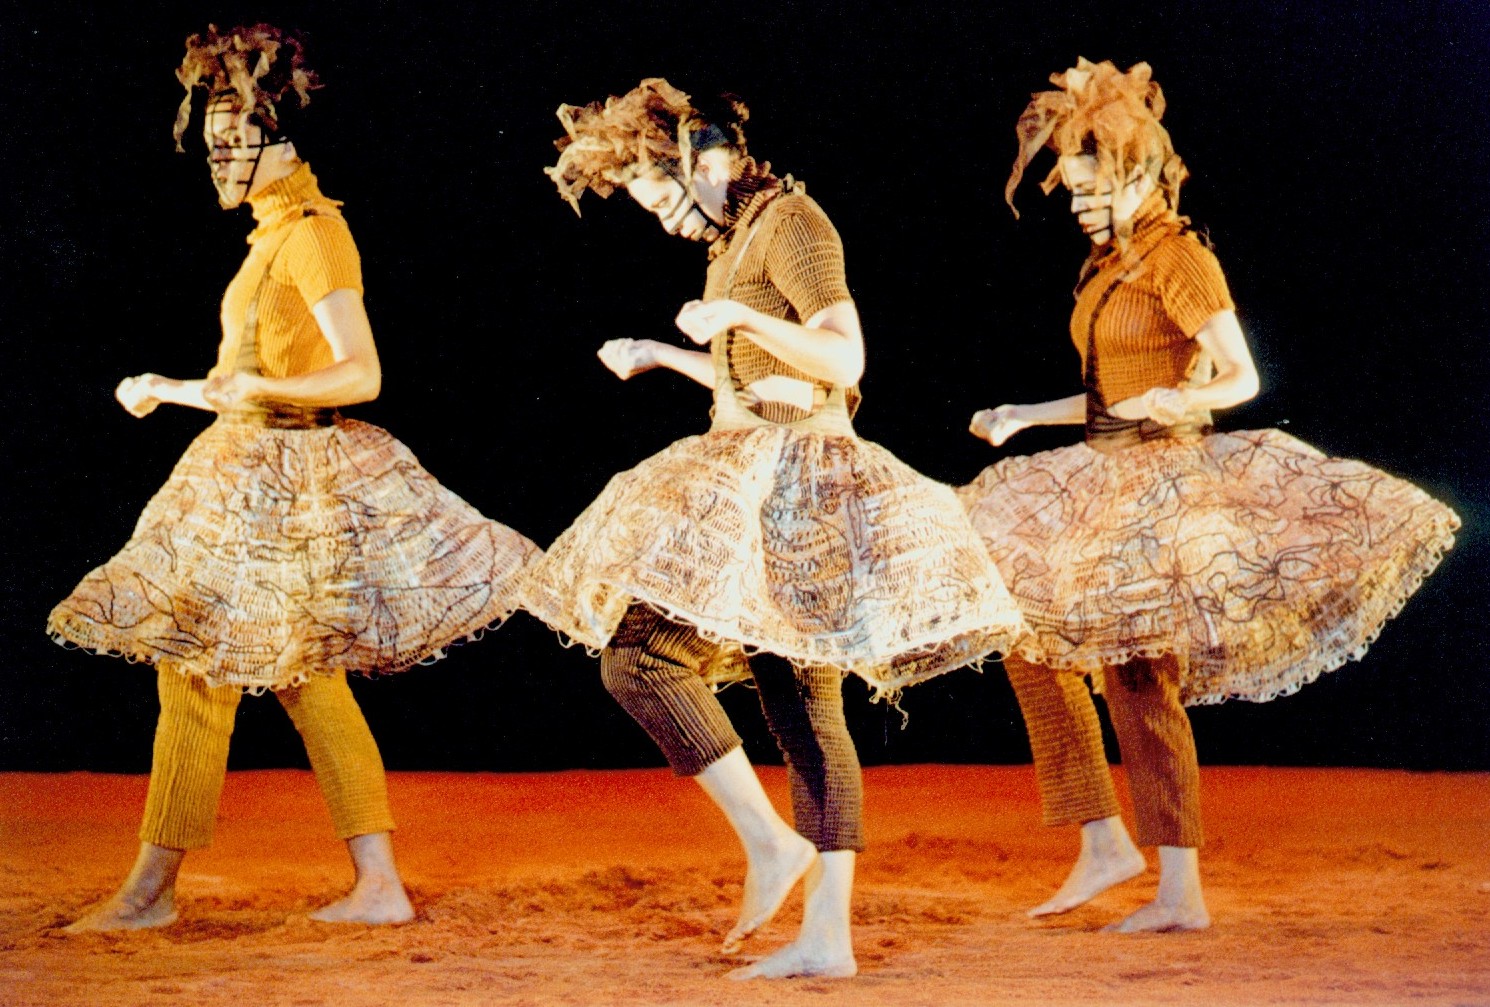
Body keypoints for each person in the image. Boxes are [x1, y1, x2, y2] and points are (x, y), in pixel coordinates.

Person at [527, 78, 1026, 978]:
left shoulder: (794, 221)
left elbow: (844, 357)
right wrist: (666, 354)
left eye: (660, 193)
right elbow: (754, 375)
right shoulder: (732, 243)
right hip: (759, 470)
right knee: (796, 706)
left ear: (705, 161)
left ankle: (774, 848)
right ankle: (825, 935)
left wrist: (737, 315)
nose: (661, 217)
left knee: (646, 661)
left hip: (802, 478)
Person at [48, 24, 541, 932]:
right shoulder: (271, 235)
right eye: (212, 140)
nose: (218, 156)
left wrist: (258, 390)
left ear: (282, 138)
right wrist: (170, 387)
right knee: (294, 675)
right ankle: (372, 884)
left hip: (283, 482)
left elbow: (361, 374)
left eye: (235, 138)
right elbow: (249, 377)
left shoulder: (315, 234)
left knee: (211, 669)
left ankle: (153, 893)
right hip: (248, 465)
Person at [961, 58, 1460, 932]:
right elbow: (1110, 390)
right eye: (1072, 191)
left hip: (1165, 481)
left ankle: (1179, 889)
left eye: (1093, 189)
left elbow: (1241, 376)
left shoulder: (1180, 258)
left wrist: (1175, 399)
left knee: (1137, 676)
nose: (1078, 206)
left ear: (1143, 177)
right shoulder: (1107, 266)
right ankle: (1102, 838)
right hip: (1102, 472)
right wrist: (1025, 415)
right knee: (1025, 636)